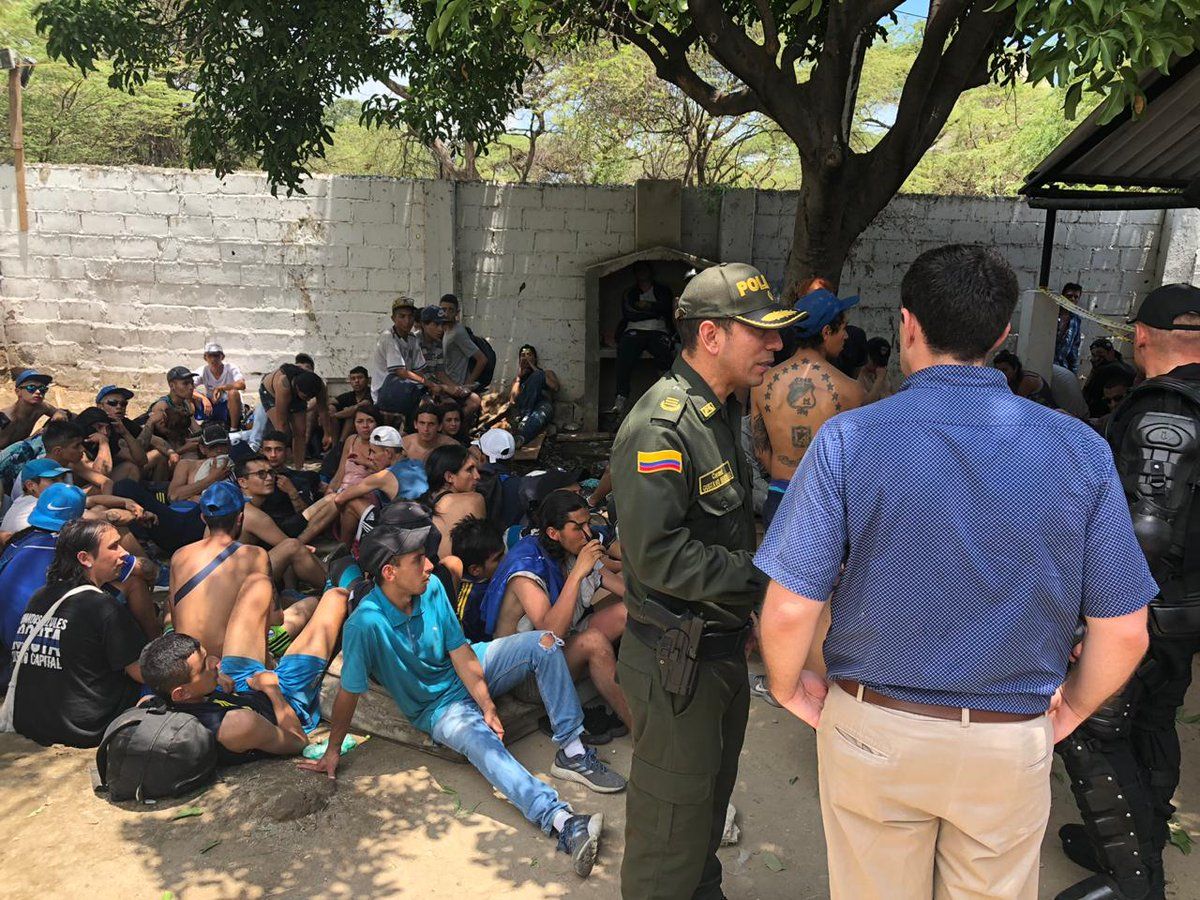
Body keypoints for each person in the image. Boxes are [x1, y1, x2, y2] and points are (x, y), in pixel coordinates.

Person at [755, 244, 1156, 900]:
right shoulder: (1081, 450)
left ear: (908, 324)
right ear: (1001, 334)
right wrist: (1067, 713)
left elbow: (791, 606)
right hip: (1007, 739)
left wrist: (785, 685)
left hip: (874, 728)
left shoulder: (850, 440)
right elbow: (1126, 631)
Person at [610, 261, 803, 899]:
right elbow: (658, 556)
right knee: (669, 828)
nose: (776, 345)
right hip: (677, 661)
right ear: (712, 336)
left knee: (705, 807)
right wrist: (763, 580)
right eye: (761, 333)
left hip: (714, 649)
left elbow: (719, 532)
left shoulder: (715, 413)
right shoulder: (661, 425)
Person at [302, 506, 624, 878]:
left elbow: (460, 650)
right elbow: (348, 694)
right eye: (418, 559)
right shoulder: (365, 625)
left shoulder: (432, 587)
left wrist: (486, 704)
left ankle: (571, 750)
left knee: (546, 642)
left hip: (472, 663)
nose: (429, 566)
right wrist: (331, 751)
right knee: (482, 743)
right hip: (437, 707)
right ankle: (562, 822)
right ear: (389, 572)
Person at [1055, 283, 1200, 900]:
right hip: (1186, 606)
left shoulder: (1165, 409)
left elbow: (1146, 531)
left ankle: (1135, 882)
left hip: (1153, 607)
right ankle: (1131, 836)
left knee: (1091, 729)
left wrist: (1100, 624)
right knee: (1153, 720)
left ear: (1140, 336)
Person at [485, 488, 631, 730]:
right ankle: (641, 734)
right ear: (553, 533)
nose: (588, 534)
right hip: (531, 673)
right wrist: (577, 575)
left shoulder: (568, 548)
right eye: (579, 528)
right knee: (594, 641)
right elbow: (551, 635)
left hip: (567, 642)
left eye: (588, 524)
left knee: (629, 611)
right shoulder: (527, 571)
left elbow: (624, 589)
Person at [8, 518, 149, 748]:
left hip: (31, 722)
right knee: (154, 684)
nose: (124, 553)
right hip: (86, 727)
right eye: (113, 546)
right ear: (85, 558)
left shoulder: (41, 595)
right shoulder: (103, 607)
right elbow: (142, 672)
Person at [750, 287, 864, 529]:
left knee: (775, 566)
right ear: (826, 331)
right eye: (842, 329)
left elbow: (760, 450)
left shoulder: (762, 383)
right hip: (823, 499)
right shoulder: (851, 391)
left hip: (779, 493)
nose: (846, 337)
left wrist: (784, 475)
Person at [169, 481, 314, 660]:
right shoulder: (255, 555)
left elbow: (176, 618)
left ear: (203, 519)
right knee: (311, 604)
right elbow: (276, 619)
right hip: (235, 656)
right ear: (240, 518)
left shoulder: (179, 555)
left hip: (191, 658)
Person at [233, 456, 328, 589]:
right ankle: (334, 586)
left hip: (236, 575)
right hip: (238, 584)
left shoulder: (236, 503)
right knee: (292, 546)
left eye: (271, 473)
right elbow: (294, 547)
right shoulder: (252, 515)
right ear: (243, 482)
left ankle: (290, 591)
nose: (269, 478)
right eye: (261, 474)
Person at [331, 426, 426, 540]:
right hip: (422, 526)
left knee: (352, 502)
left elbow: (339, 499)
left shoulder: (383, 477)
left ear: (388, 453)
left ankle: (346, 549)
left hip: (399, 534)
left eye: (373, 452)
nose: (370, 457)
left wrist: (341, 514)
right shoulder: (417, 464)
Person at [611, 261, 675, 419]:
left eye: (645, 270)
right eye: (638, 270)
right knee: (625, 353)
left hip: (658, 331)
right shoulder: (630, 292)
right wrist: (654, 309)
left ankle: (667, 394)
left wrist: (645, 307)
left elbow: (666, 308)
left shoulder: (662, 290)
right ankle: (621, 397)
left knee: (665, 353)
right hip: (634, 330)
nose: (642, 273)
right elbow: (629, 314)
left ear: (651, 272)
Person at [258, 431, 338, 540]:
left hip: (294, 527)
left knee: (334, 499)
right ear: (261, 452)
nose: (273, 455)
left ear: (288, 452)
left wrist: (292, 492)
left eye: (278, 450)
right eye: (268, 450)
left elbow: (308, 515)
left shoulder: (302, 478)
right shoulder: (253, 476)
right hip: (262, 527)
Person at [255, 362, 333, 467]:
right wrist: (285, 448)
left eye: (311, 397)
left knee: (301, 431)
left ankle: (299, 467)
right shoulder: (283, 384)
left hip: (296, 393)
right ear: (297, 388)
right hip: (271, 393)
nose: (309, 399)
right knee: (283, 430)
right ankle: (279, 465)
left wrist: (327, 434)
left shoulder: (319, 386)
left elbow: (323, 410)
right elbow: (281, 423)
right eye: (306, 397)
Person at [370, 296, 432, 427]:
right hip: (385, 390)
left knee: (429, 401)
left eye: (410, 316)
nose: (407, 321)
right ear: (393, 318)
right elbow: (400, 372)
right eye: (402, 316)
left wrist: (430, 385)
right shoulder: (388, 337)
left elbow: (419, 369)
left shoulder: (412, 338)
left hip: (405, 387)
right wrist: (427, 383)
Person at [444, 515, 506, 642]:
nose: (505, 559)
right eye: (498, 559)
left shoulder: (489, 578)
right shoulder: (469, 600)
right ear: (475, 570)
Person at [417, 306, 483, 424]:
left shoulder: (437, 343)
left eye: (442, 325)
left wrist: (456, 388)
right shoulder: (415, 342)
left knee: (474, 401)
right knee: (440, 408)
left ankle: (453, 429)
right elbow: (415, 374)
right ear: (424, 324)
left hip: (437, 387)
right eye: (436, 325)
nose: (440, 329)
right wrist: (444, 388)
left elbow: (440, 372)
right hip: (419, 389)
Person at [425, 444, 485, 560]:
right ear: (449, 477)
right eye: (470, 470)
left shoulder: (422, 503)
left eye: (476, 469)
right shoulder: (474, 500)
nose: (477, 476)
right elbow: (482, 554)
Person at [167, 422, 233, 502]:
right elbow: (173, 496)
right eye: (213, 447)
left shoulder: (234, 465)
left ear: (229, 446)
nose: (219, 450)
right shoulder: (187, 465)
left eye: (222, 445)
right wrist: (211, 479)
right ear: (202, 449)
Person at [147, 366, 207, 453]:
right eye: (185, 383)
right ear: (172, 386)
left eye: (192, 383)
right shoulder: (162, 406)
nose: (191, 387)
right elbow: (161, 440)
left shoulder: (185, 403)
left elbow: (196, 430)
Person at [95, 385, 149, 481]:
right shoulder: (94, 422)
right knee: (131, 468)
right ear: (100, 406)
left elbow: (142, 460)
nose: (119, 407)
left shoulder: (124, 423)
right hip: (94, 478)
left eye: (123, 403)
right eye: (113, 403)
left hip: (112, 474)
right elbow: (138, 461)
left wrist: (125, 433)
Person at [510, 344, 560, 446]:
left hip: (541, 405)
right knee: (528, 418)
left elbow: (555, 387)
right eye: (523, 355)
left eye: (529, 355)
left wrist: (535, 369)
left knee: (537, 419)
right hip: (523, 409)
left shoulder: (546, 373)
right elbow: (512, 401)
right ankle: (525, 417)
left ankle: (521, 438)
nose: (526, 358)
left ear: (535, 358)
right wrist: (519, 377)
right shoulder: (517, 379)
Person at [439, 294, 489, 394]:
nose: (447, 313)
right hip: (448, 384)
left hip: (457, 386)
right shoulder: (447, 330)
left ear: (457, 313)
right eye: (444, 310)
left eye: (451, 310)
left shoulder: (458, 332)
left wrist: (467, 386)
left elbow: (482, 360)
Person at [0, 369, 58, 451]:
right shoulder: (5, 418)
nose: (38, 392)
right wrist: (31, 439)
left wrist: (60, 414)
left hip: (22, 452)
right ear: (18, 392)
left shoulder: (41, 407)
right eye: (31, 387)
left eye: (42, 388)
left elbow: (61, 412)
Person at [326, 407, 380, 494]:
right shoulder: (351, 440)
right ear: (354, 424)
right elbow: (340, 473)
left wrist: (365, 462)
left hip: (364, 494)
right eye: (360, 421)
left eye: (370, 421)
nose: (365, 426)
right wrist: (330, 489)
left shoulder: (381, 445)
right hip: (342, 491)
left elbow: (386, 474)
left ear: (377, 423)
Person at [1084, 337, 1139, 417]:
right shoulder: (1126, 366)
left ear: (1111, 353)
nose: (1096, 358)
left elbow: (1092, 397)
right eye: (1093, 355)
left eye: (1100, 353)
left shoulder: (1106, 370)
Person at [198, 343, 246, 431]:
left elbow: (241, 384)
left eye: (216, 356)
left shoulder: (231, 368)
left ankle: (234, 429)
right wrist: (203, 398)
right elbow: (188, 387)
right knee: (189, 396)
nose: (213, 359)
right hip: (213, 405)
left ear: (222, 357)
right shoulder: (203, 370)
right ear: (205, 358)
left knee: (233, 393)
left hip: (229, 406)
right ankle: (195, 428)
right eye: (210, 356)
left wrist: (221, 388)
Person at [329, 366, 373, 441]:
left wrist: (333, 416)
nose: (356, 381)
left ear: (367, 380)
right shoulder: (349, 395)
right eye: (353, 379)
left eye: (360, 378)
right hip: (349, 427)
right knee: (331, 407)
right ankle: (334, 447)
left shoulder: (372, 394)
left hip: (367, 426)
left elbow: (355, 408)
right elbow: (331, 401)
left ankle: (340, 445)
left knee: (351, 416)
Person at [1056, 282, 1085, 373]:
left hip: (1062, 367)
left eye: (1076, 297)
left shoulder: (1075, 320)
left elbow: (1074, 348)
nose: (1072, 299)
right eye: (1069, 296)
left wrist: (1073, 372)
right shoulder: (1052, 314)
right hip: (1045, 362)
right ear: (1062, 297)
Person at [857, 337, 896, 403]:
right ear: (867, 356)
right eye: (875, 362)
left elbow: (893, 395)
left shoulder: (883, 373)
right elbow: (865, 404)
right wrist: (879, 380)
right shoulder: (859, 376)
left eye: (881, 363)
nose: (877, 366)